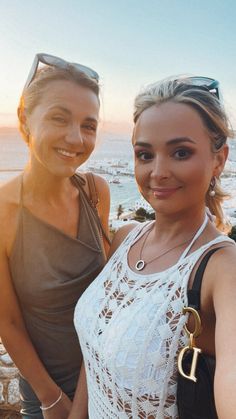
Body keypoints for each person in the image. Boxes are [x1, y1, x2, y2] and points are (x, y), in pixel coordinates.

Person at [70, 75, 236, 418]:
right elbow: (96, 348)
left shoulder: (221, 268)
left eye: (180, 152)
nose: (158, 172)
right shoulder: (125, 238)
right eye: (145, 154)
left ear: (219, 159)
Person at [0, 53, 110, 418]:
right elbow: (8, 322)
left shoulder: (95, 192)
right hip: (49, 392)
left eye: (89, 125)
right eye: (59, 118)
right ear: (24, 119)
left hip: (108, 381)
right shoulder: (3, 211)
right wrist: (51, 400)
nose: (76, 139)